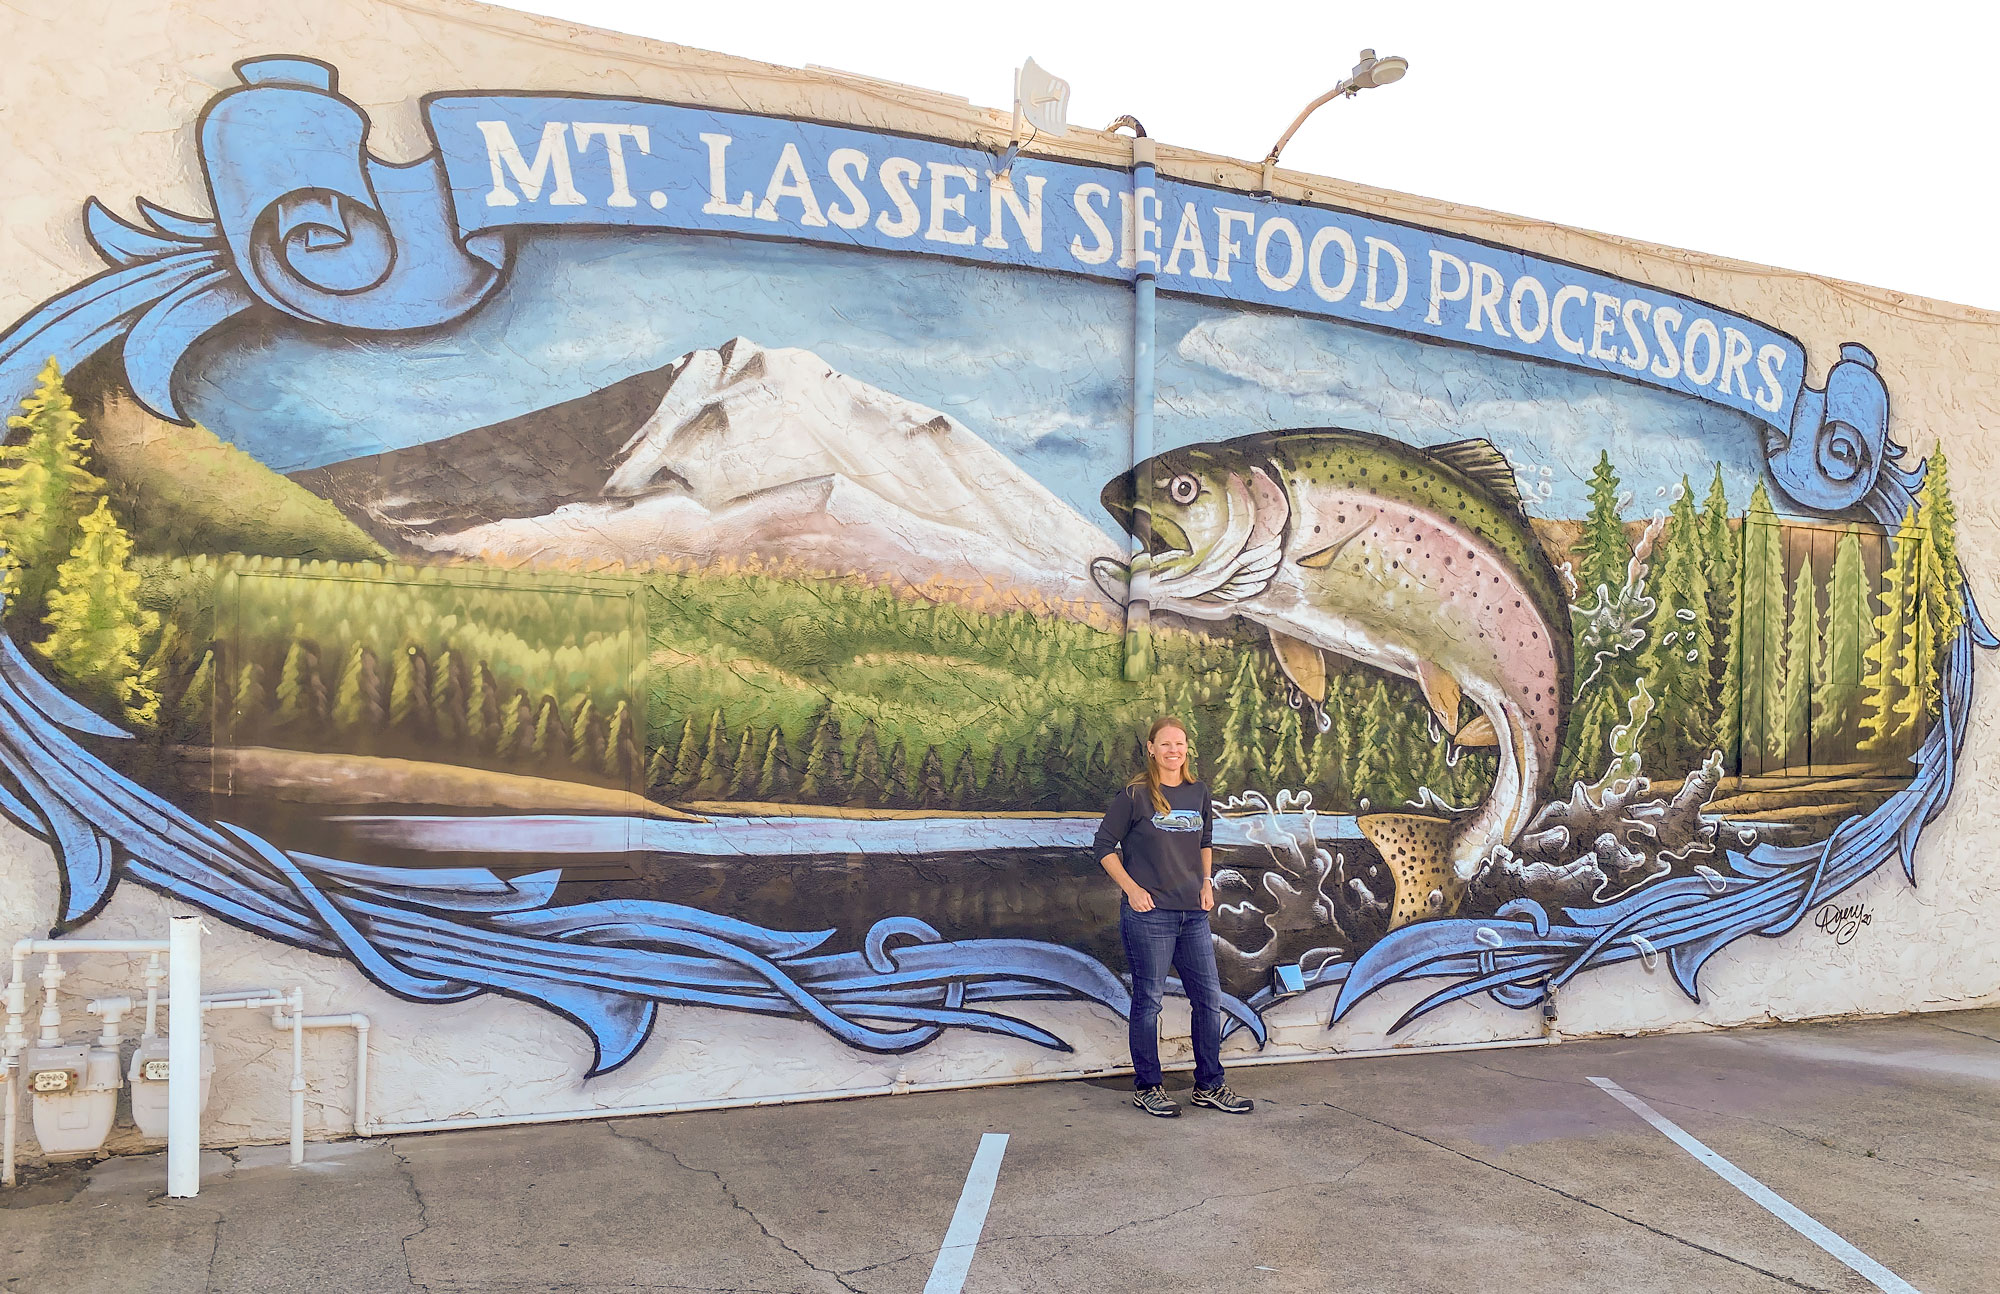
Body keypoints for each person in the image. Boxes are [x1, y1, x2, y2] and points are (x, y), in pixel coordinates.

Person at [1093, 717, 1252, 1118]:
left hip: (1193, 916)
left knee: (1208, 999)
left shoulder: (1198, 792)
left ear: (1186, 749)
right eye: (1165, 744)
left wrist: (1206, 883)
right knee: (1149, 1001)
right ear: (1151, 748)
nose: (1173, 750)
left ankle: (1209, 1085)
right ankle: (1148, 1086)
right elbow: (1102, 847)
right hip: (1149, 917)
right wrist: (1131, 889)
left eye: (1179, 744)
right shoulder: (1135, 795)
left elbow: (1204, 842)